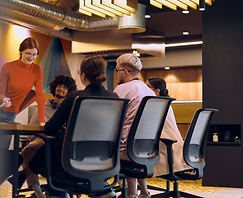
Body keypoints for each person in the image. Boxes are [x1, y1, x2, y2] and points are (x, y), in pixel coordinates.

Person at [28, 55, 119, 198]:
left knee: (38, 160)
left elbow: (49, 129)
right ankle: (101, 188)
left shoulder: (75, 97)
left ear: (83, 75)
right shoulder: (114, 97)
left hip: (72, 157)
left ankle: (59, 193)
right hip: (105, 157)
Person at [10, 74, 76, 198]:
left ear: (69, 92)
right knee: (27, 150)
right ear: (54, 88)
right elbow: (32, 132)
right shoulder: (41, 108)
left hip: (62, 143)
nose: (61, 89)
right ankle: (38, 192)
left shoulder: (71, 109)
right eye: (59, 86)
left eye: (65, 87)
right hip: (42, 141)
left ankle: (23, 175)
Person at [113, 53, 155, 198]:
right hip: (146, 148)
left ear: (125, 72)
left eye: (116, 70)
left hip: (126, 149)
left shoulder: (121, 90)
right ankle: (143, 193)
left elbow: (112, 120)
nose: (116, 74)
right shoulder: (150, 92)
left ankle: (129, 193)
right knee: (129, 139)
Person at [0, 37, 46, 148]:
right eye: (28, 53)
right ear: (21, 52)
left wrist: (42, 122)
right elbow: (0, 93)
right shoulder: (7, 67)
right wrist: (3, 99)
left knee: (2, 148)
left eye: (34, 54)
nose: (31, 57)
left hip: (10, 113)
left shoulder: (37, 70)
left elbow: (40, 95)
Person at [145, 77, 190, 177]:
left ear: (157, 91)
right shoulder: (165, 103)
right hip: (176, 151)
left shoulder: (157, 105)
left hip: (167, 150)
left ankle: (132, 188)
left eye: (147, 87)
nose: (144, 89)